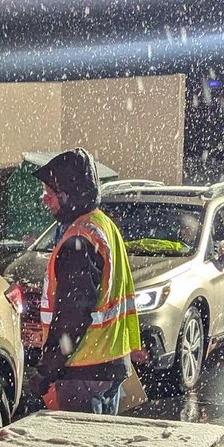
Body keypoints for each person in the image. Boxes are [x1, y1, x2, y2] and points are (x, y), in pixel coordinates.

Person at [28, 149, 142, 414]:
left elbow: (73, 315)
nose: (45, 200)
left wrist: (46, 371)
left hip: (83, 371)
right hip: (109, 364)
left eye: (50, 192)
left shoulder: (78, 241)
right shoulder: (102, 226)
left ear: (68, 194)